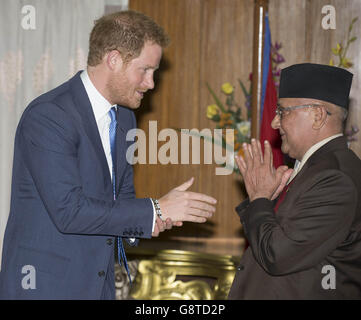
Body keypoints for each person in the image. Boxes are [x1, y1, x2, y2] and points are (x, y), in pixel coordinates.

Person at [0, 10, 217, 299]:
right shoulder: (50, 116)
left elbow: (121, 199)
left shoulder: (125, 118)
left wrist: (152, 221)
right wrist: (156, 209)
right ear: (113, 59)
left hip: (97, 288)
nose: (151, 83)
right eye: (145, 70)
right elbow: (69, 211)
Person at [228, 63, 361, 299]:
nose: (274, 123)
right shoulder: (315, 168)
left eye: (283, 112)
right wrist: (265, 200)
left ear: (318, 115)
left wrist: (260, 198)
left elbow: (278, 255)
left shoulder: (335, 178)